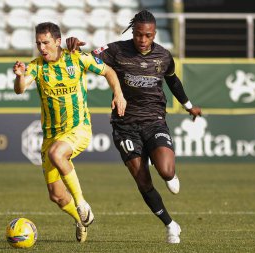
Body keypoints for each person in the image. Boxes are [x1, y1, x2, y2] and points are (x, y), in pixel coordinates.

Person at [66, 10, 202, 243]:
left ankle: (166, 171)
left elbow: (172, 81)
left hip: (154, 120)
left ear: (154, 34)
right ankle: (170, 225)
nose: (142, 40)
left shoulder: (163, 56)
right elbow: (89, 58)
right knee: (143, 180)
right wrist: (75, 48)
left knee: (167, 172)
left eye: (147, 36)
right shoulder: (116, 51)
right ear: (133, 32)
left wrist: (189, 106)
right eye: (139, 35)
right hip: (124, 124)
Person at [13, 22, 126, 243]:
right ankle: (80, 219)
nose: (42, 47)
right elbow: (20, 89)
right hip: (51, 136)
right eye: (38, 43)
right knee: (55, 195)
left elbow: (108, 71)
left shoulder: (77, 58)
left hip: (78, 128)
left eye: (45, 42)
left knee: (57, 154)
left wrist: (118, 94)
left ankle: (82, 203)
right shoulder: (36, 66)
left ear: (57, 41)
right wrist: (19, 76)